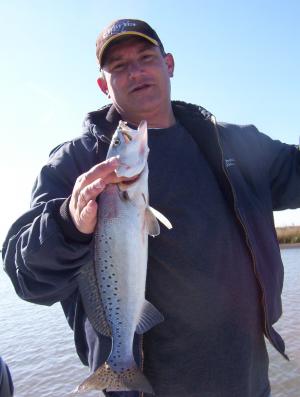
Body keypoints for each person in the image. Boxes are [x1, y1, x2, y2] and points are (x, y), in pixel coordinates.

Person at [2, 18, 299, 397]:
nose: (136, 72)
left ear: (169, 64)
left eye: (146, 57)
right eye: (119, 67)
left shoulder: (234, 146)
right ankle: (120, 368)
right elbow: (26, 276)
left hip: (248, 383)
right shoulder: (76, 163)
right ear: (102, 85)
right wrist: (67, 224)